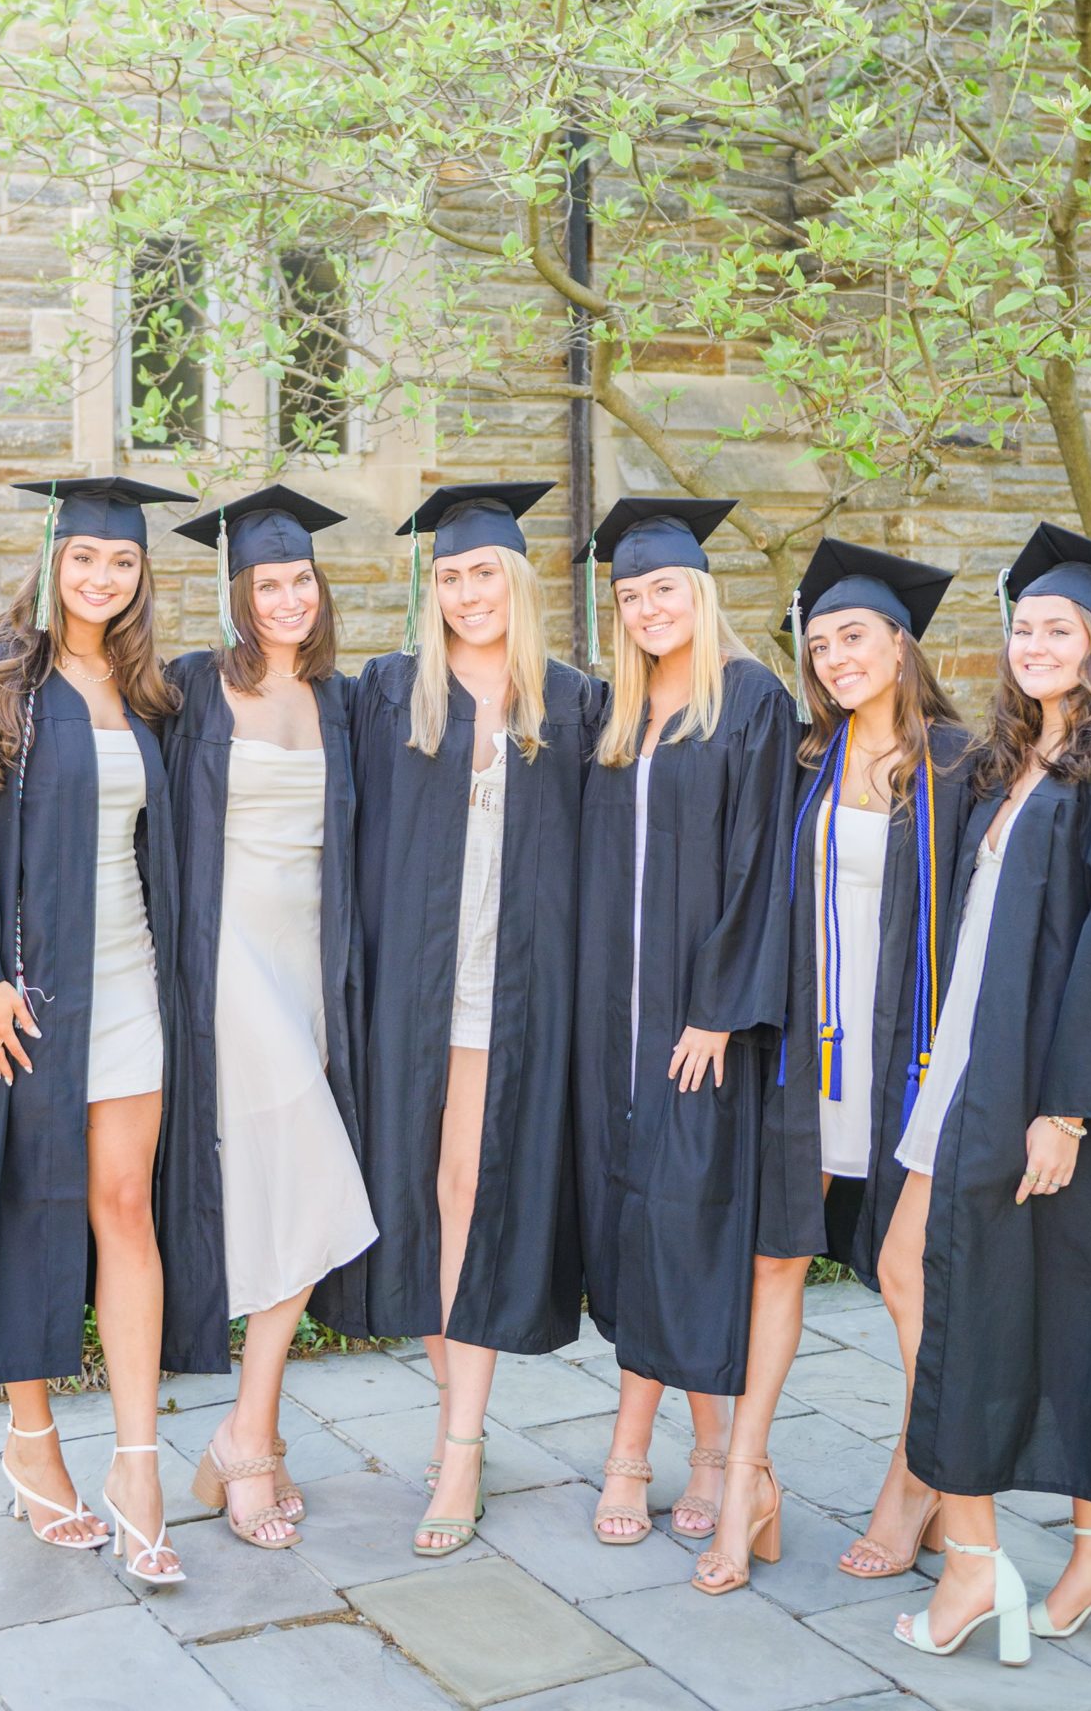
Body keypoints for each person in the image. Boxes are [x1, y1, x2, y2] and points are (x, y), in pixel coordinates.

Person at [0, 474, 198, 1589]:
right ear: (52, 557)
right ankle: (33, 1437)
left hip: (131, 985)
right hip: (28, 993)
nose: (101, 577)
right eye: (83, 558)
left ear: (140, 572)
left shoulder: (148, 692)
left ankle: (138, 1468)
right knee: (27, 1200)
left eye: (121, 561)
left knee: (124, 1206)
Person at [885, 522, 1091, 1667]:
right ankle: (1059, 1547)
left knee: (1032, 1293)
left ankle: (997, 1561)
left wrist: (1065, 1108)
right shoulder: (1009, 765)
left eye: (1056, 628)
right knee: (960, 1278)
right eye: (1020, 627)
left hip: (1046, 1089)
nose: (1033, 644)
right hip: (971, 1067)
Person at [696, 537, 973, 1595]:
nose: (833, 659)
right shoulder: (803, 761)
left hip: (912, 1062)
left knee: (909, 1281)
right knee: (772, 1260)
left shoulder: (960, 764)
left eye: (851, 637)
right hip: (809, 1064)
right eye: (817, 646)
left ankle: (918, 1478)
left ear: (899, 644)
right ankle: (741, 1483)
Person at [349, 481, 600, 1560]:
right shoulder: (391, 692)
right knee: (429, 1191)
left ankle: (458, 1445)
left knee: (474, 1191)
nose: (465, 592)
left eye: (482, 572)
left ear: (518, 579)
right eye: (448, 575)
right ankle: (462, 1426)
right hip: (423, 993)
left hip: (525, 995)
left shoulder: (576, 702)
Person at [573, 497, 796, 1558]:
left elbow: (763, 866)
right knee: (631, 1227)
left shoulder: (749, 699)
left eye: (663, 587)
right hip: (612, 1024)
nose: (647, 606)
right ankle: (698, 1454)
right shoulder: (619, 712)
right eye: (627, 594)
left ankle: (654, 1449)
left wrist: (716, 1007)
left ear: (699, 591)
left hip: (696, 1025)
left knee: (687, 1226)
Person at [161, 486, 377, 1551]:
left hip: (309, 956)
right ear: (237, 593)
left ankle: (249, 1435)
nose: (287, 597)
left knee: (284, 1185)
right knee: (312, 1163)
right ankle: (247, 1437)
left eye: (300, 579)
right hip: (225, 953)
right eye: (266, 583)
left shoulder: (347, 701)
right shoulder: (193, 689)